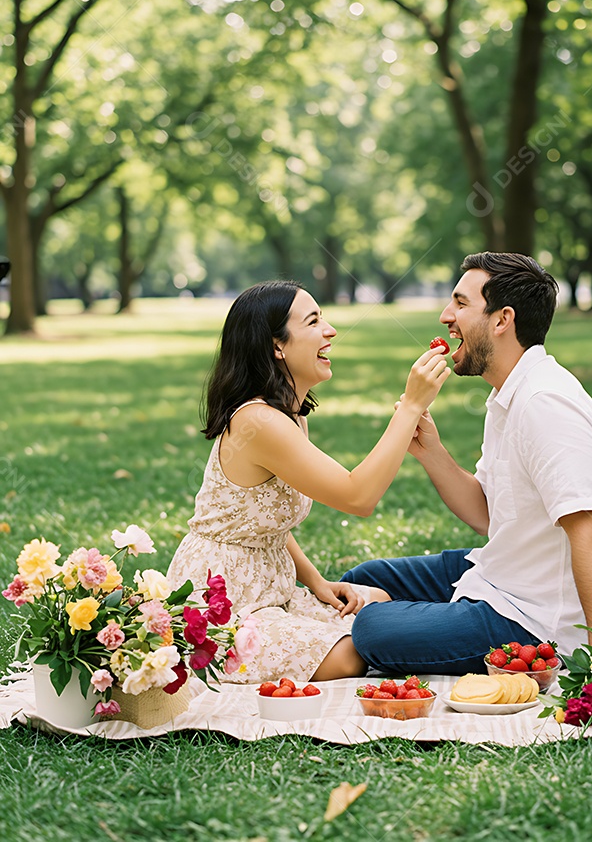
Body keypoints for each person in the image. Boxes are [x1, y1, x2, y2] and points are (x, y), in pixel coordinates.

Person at [341, 252, 592, 675]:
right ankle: (429, 613)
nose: (444, 316)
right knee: (363, 579)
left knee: (372, 627)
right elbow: (489, 515)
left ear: (502, 319)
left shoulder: (546, 404)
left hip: (533, 619)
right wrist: (431, 453)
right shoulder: (508, 393)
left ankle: (412, 621)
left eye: (460, 303)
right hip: (499, 570)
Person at [167, 280, 449, 683]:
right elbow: (359, 497)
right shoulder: (258, 421)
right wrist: (411, 406)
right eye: (314, 321)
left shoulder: (288, 415)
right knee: (356, 652)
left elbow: (265, 521)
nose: (330, 331)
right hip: (222, 602)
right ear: (276, 346)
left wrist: (317, 582)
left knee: (377, 605)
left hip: (271, 589)